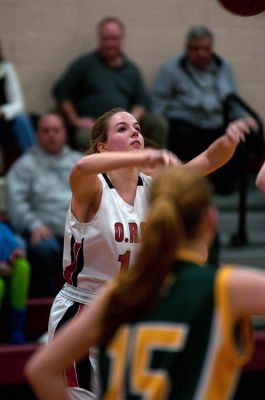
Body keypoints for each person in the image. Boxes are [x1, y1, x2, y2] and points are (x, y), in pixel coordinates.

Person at [28, 107, 251, 399]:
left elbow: (209, 159)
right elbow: (82, 166)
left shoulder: (155, 186)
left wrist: (229, 141)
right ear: (102, 147)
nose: (135, 131)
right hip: (83, 309)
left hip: (131, 307)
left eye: (137, 127)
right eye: (122, 128)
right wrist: (144, 158)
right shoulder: (93, 188)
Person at [151, 25, 249, 195]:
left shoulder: (223, 67)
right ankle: (185, 184)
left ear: (211, 48)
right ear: (187, 48)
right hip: (185, 126)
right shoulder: (170, 69)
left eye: (206, 48)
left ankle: (222, 186)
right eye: (196, 49)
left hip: (217, 125)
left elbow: (234, 100)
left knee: (241, 136)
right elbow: (158, 102)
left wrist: (244, 120)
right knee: (180, 135)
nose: (201, 53)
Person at [52, 16, 168, 151]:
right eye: (105, 39)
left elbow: (142, 100)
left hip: (125, 124)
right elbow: (61, 91)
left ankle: (154, 166)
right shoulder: (85, 64)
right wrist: (75, 120)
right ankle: (104, 171)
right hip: (95, 126)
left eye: (113, 39)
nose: (109, 43)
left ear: (121, 39)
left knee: (159, 123)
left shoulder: (131, 69)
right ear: (99, 39)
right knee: (85, 137)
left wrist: (131, 121)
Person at [5, 112, 81, 297]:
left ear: (65, 133)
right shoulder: (24, 165)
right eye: (45, 131)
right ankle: (56, 302)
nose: (52, 135)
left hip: (80, 230)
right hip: (46, 232)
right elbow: (15, 204)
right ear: (37, 135)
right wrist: (33, 225)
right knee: (43, 249)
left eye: (56, 130)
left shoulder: (80, 162)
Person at [0, 40, 36, 173]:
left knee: (22, 119)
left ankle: (35, 163)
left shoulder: (6, 68)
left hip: (3, 119)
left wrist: (3, 111)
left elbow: (18, 103)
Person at [0, 221, 30, 344]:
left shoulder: (4, 226)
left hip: (6, 266)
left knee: (22, 266)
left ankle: (16, 330)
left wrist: (17, 250)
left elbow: (17, 242)